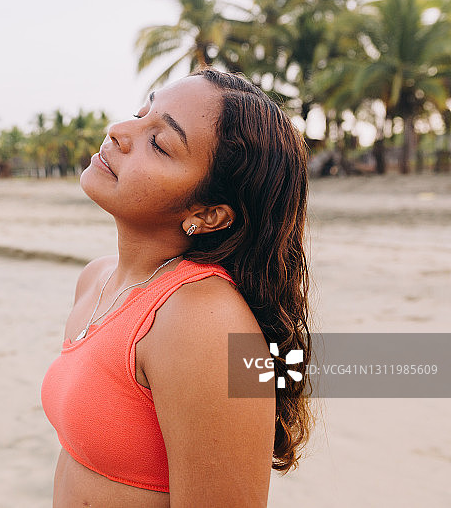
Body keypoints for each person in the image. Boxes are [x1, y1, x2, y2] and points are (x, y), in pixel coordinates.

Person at [41, 68, 313, 507]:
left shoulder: (204, 322)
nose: (119, 131)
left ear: (208, 214)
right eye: (140, 113)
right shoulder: (97, 279)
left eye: (159, 143)